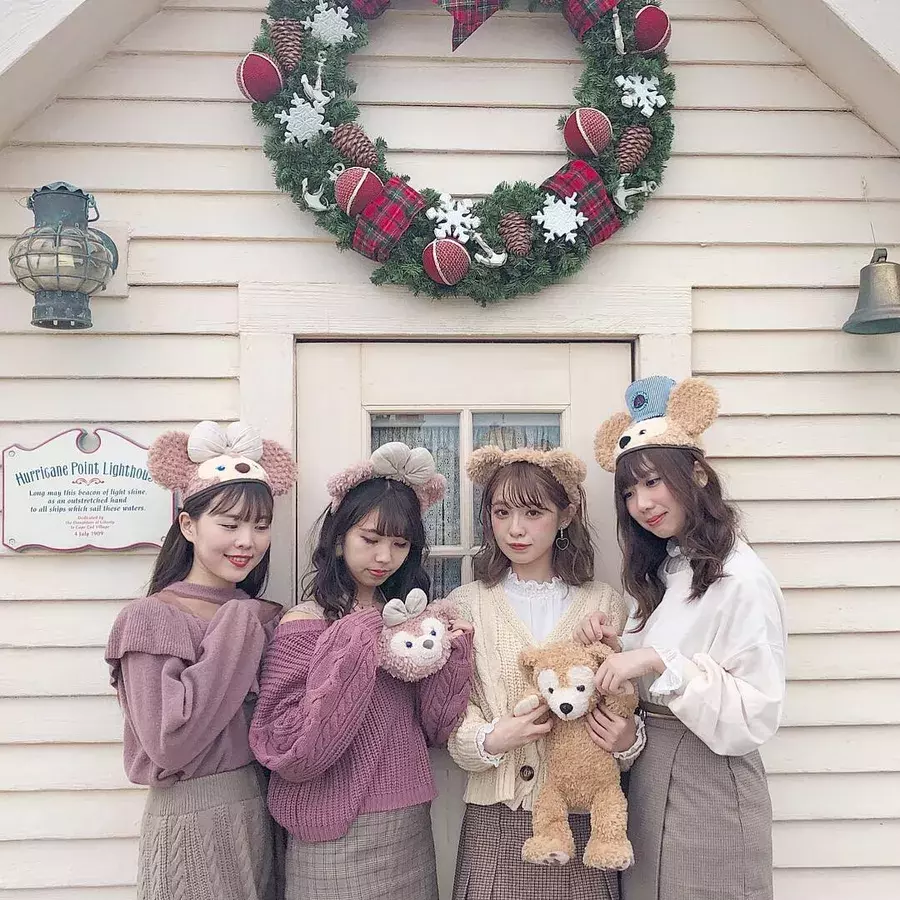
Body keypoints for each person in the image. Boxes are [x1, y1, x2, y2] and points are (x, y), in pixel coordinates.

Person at [581, 375, 787, 900]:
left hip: (711, 774)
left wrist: (656, 659)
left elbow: (756, 712)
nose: (641, 503)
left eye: (653, 482)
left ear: (696, 472)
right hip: (649, 770)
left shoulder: (741, 577)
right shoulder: (665, 570)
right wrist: (617, 646)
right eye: (629, 492)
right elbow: (655, 662)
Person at [249, 442, 475, 900]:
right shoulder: (305, 622)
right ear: (339, 539)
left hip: (407, 821)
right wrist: (360, 634)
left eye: (399, 544)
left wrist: (454, 655)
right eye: (370, 539)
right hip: (330, 827)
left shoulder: (411, 622)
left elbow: (435, 729)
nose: (384, 556)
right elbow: (283, 743)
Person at [105, 420, 297, 900]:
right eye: (229, 525)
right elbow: (169, 743)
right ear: (188, 525)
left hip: (262, 812)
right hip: (191, 818)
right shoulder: (152, 618)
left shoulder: (268, 617)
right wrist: (238, 624)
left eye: (261, 526)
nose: (247, 541)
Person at [447, 446, 645, 900]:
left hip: (584, 823)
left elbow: (627, 704)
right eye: (502, 512)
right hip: (496, 823)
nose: (515, 529)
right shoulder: (466, 605)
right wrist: (491, 738)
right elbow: (452, 716)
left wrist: (627, 739)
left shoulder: (604, 603)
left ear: (565, 515)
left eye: (533, 512)